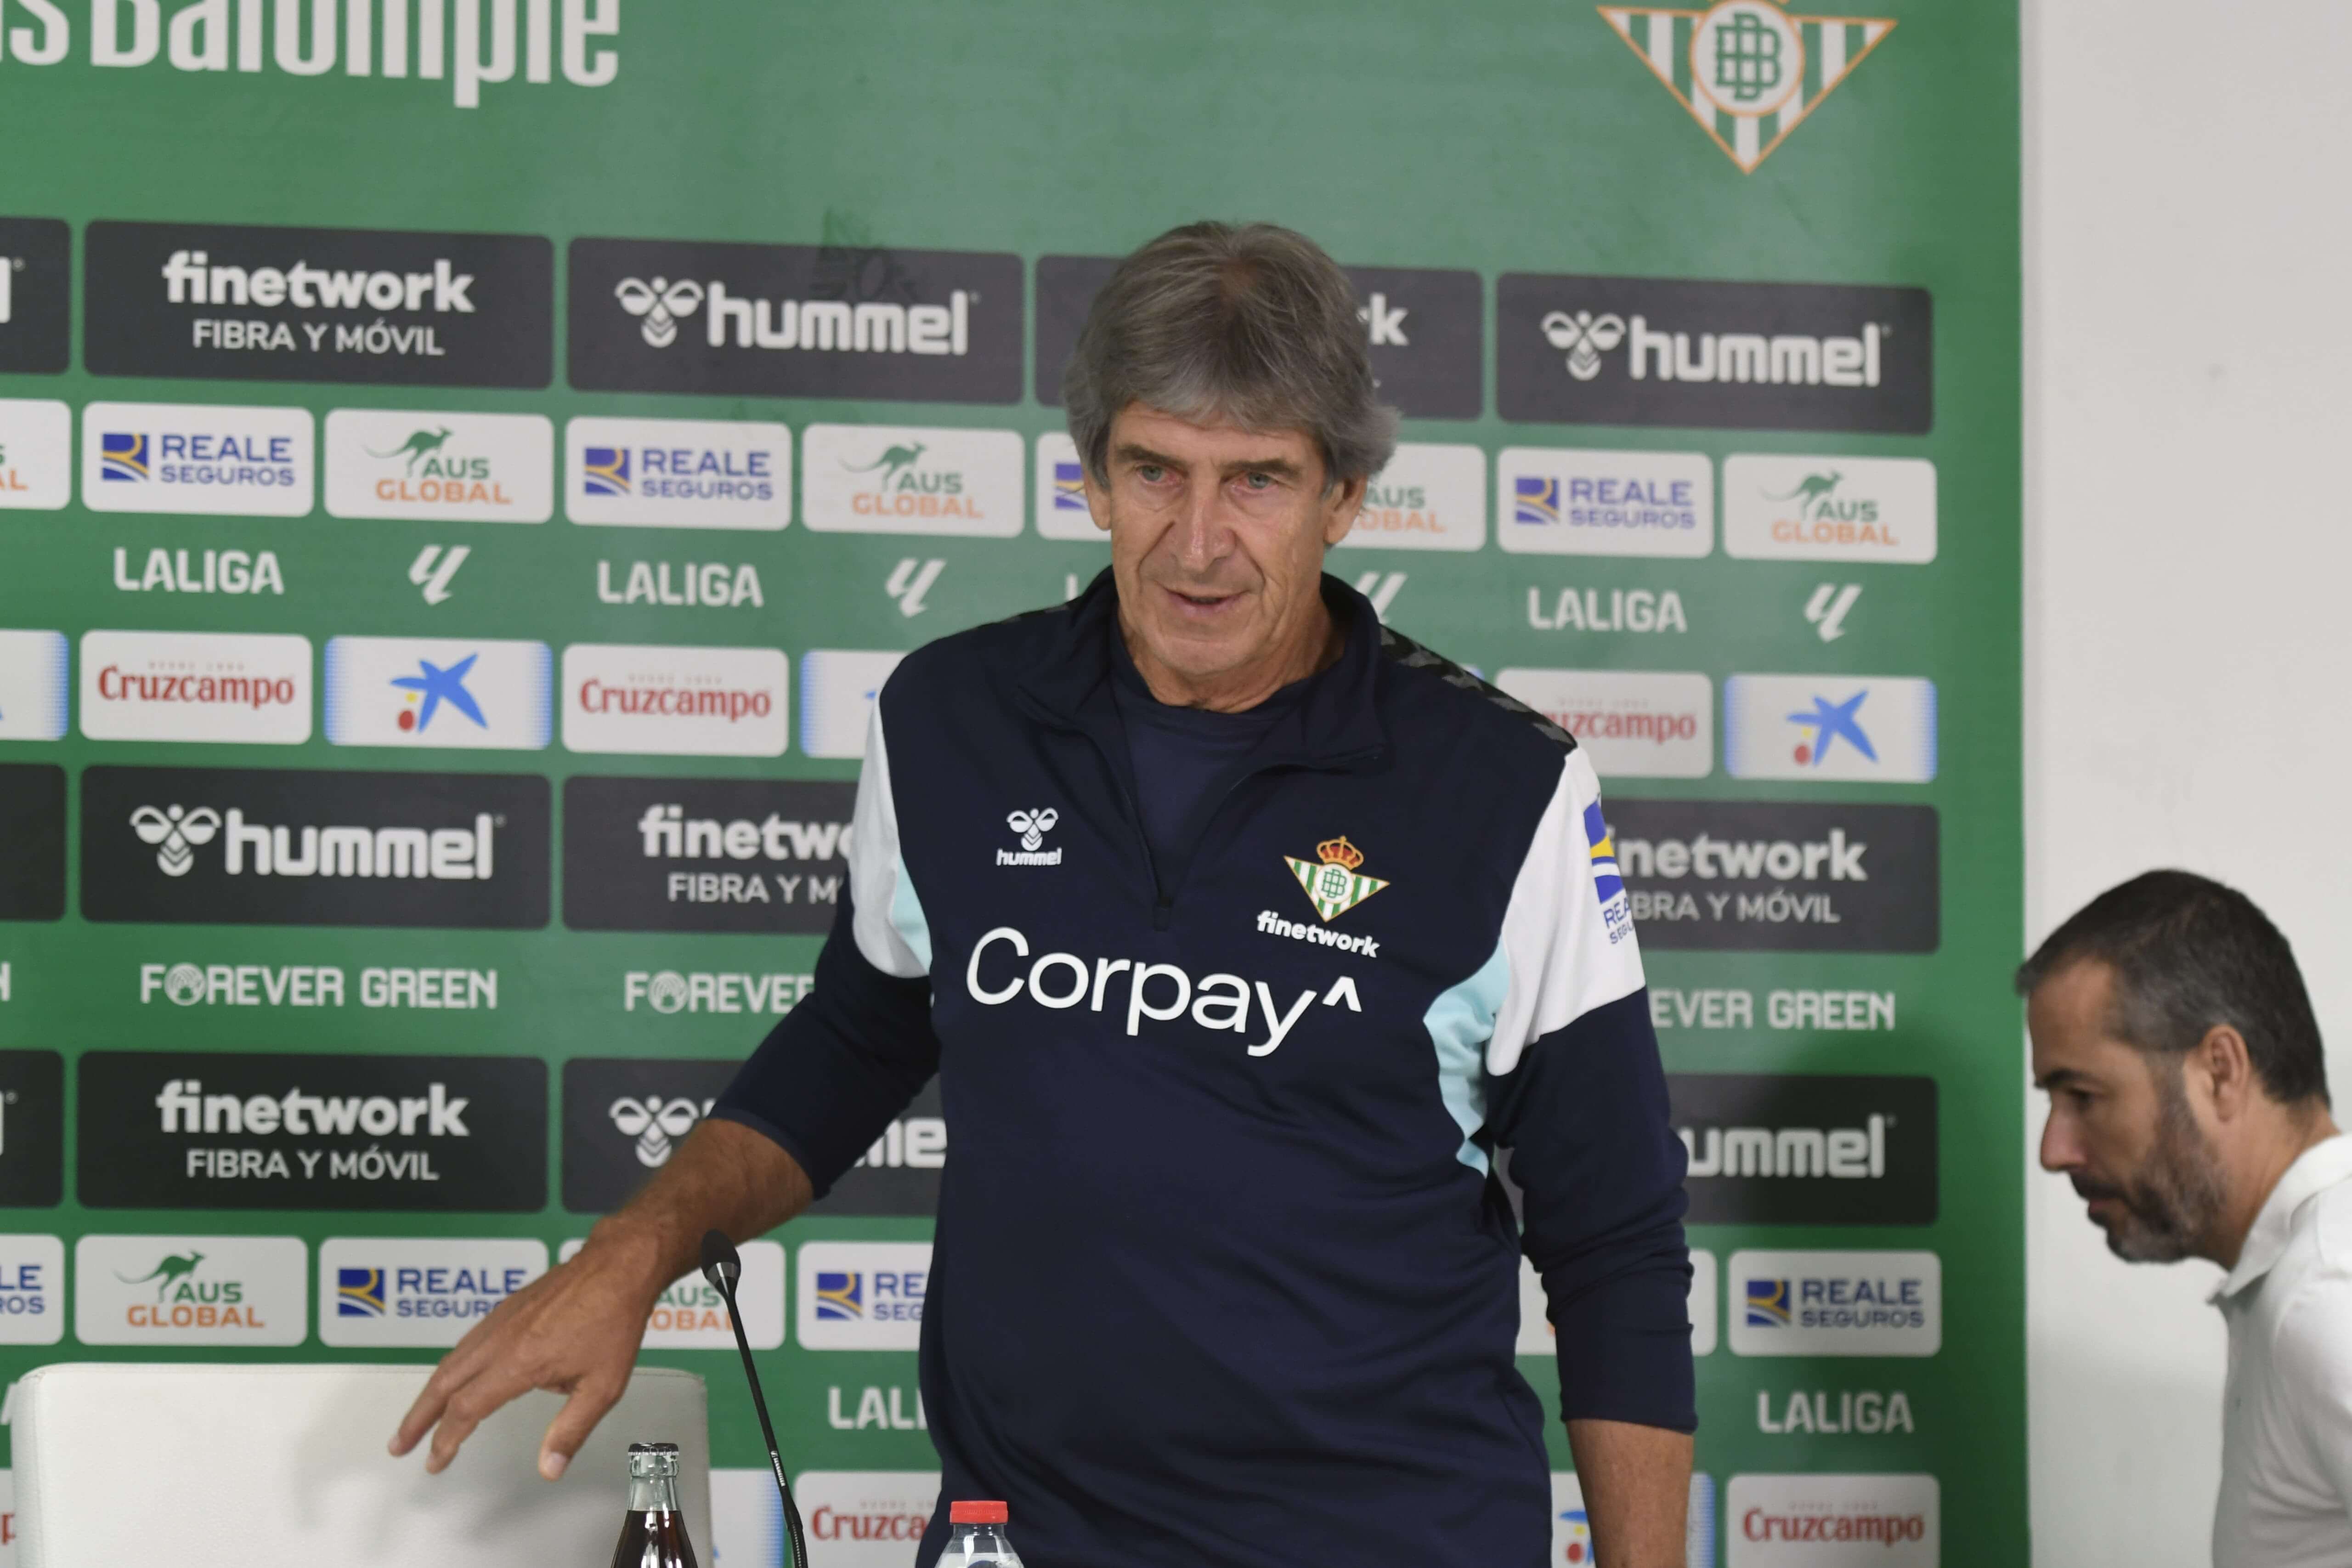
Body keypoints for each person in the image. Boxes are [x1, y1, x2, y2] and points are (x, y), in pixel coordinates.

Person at [392, 221, 1696, 1567]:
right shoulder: (953, 720)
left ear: (1345, 493)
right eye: (1154, 471)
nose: (1199, 543)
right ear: (1090, 476)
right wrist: (637, 1245)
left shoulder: (1502, 788)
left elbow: (1617, 1245)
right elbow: (858, 1033)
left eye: (1257, 479)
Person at [2024, 869, 2350, 1565]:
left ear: (2221, 1071)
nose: (2055, 1150)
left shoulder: (2327, 1296)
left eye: (2082, 1094)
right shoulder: (2304, 1277)